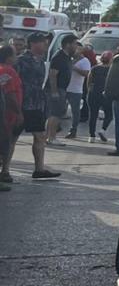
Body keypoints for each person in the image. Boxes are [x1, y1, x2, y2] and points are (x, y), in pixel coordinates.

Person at [14, 34, 58, 178]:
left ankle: (39, 169)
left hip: (36, 105)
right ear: (33, 44)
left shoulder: (41, 61)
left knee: (40, 136)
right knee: (12, 138)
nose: (46, 45)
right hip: (21, 104)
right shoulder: (20, 61)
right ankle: (5, 169)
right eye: (43, 42)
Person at [45, 35, 76, 145]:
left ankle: (48, 137)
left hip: (62, 88)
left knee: (55, 114)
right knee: (55, 114)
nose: (76, 46)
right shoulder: (59, 56)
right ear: (67, 44)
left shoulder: (67, 57)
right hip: (57, 89)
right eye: (74, 44)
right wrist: (54, 92)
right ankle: (51, 137)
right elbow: (53, 74)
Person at [1, 45, 22, 187]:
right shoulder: (9, 71)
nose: (16, 57)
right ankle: (4, 171)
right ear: (8, 57)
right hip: (8, 114)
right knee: (6, 143)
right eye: (14, 55)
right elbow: (10, 94)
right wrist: (18, 113)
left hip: (5, 112)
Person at [64, 41, 90, 140]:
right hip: (64, 87)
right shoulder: (68, 58)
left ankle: (73, 130)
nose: (75, 50)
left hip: (76, 89)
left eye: (78, 49)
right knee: (59, 110)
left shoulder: (85, 61)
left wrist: (74, 68)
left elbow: (86, 74)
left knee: (75, 111)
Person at [86, 52, 112, 143]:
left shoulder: (95, 68)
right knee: (109, 114)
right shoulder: (111, 70)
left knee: (93, 115)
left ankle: (91, 136)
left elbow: (89, 80)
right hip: (106, 94)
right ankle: (103, 130)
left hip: (93, 93)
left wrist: (89, 90)